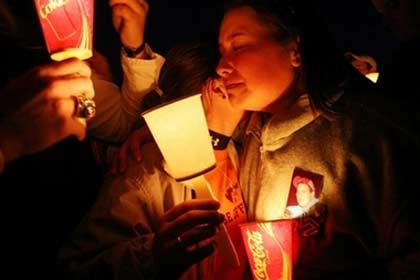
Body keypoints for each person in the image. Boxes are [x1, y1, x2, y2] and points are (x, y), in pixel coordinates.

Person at [214, 0, 420, 278]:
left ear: (295, 50)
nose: (221, 67)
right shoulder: (249, 133)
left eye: (238, 46)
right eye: (221, 52)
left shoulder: (371, 134)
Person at [58, 39, 249, 279]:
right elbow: (75, 267)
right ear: (214, 92)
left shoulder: (240, 149)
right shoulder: (144, 173)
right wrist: (153, 256)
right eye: (232, 89)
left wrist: (216, 136)